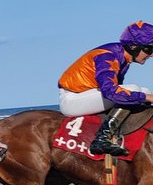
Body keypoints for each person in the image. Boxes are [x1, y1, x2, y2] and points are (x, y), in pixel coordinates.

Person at [58, 21, 153, 157]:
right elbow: (111, 92)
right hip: (73, 99)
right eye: (149, 49)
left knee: (144, 90)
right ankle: (102, 139)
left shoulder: (122, 57)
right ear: (133, 47)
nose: (151, 55)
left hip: (88, 95)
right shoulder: (108, 56)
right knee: (139, 91)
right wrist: (146, 98)